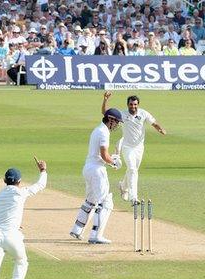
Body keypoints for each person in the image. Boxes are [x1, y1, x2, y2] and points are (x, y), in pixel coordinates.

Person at [69, 108, 124, 244]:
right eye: (116, 122)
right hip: (97, 171)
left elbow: (100, 154)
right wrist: (114, 162)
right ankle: (96, 235)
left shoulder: (98, 129)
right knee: (105, 202)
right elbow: (104, 155)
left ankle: (77, 229)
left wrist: (111, 160)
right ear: (110, 120)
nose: (117, 125)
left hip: (88, 168)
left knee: (90, 200)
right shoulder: (104, 132)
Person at [102, 92, 166, 203]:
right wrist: (105, 100)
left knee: (133, 170)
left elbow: (154, 123)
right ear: (128, 105)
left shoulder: (143, 113)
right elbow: (105, 114)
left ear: (138, 105)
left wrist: (160, 129)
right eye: (131, 104)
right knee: (132, 169)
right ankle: (133, 197)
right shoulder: (122, 114)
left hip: (139, 148)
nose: (133, 106)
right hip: (127, 147)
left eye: (135, 104)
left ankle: (123, 186)